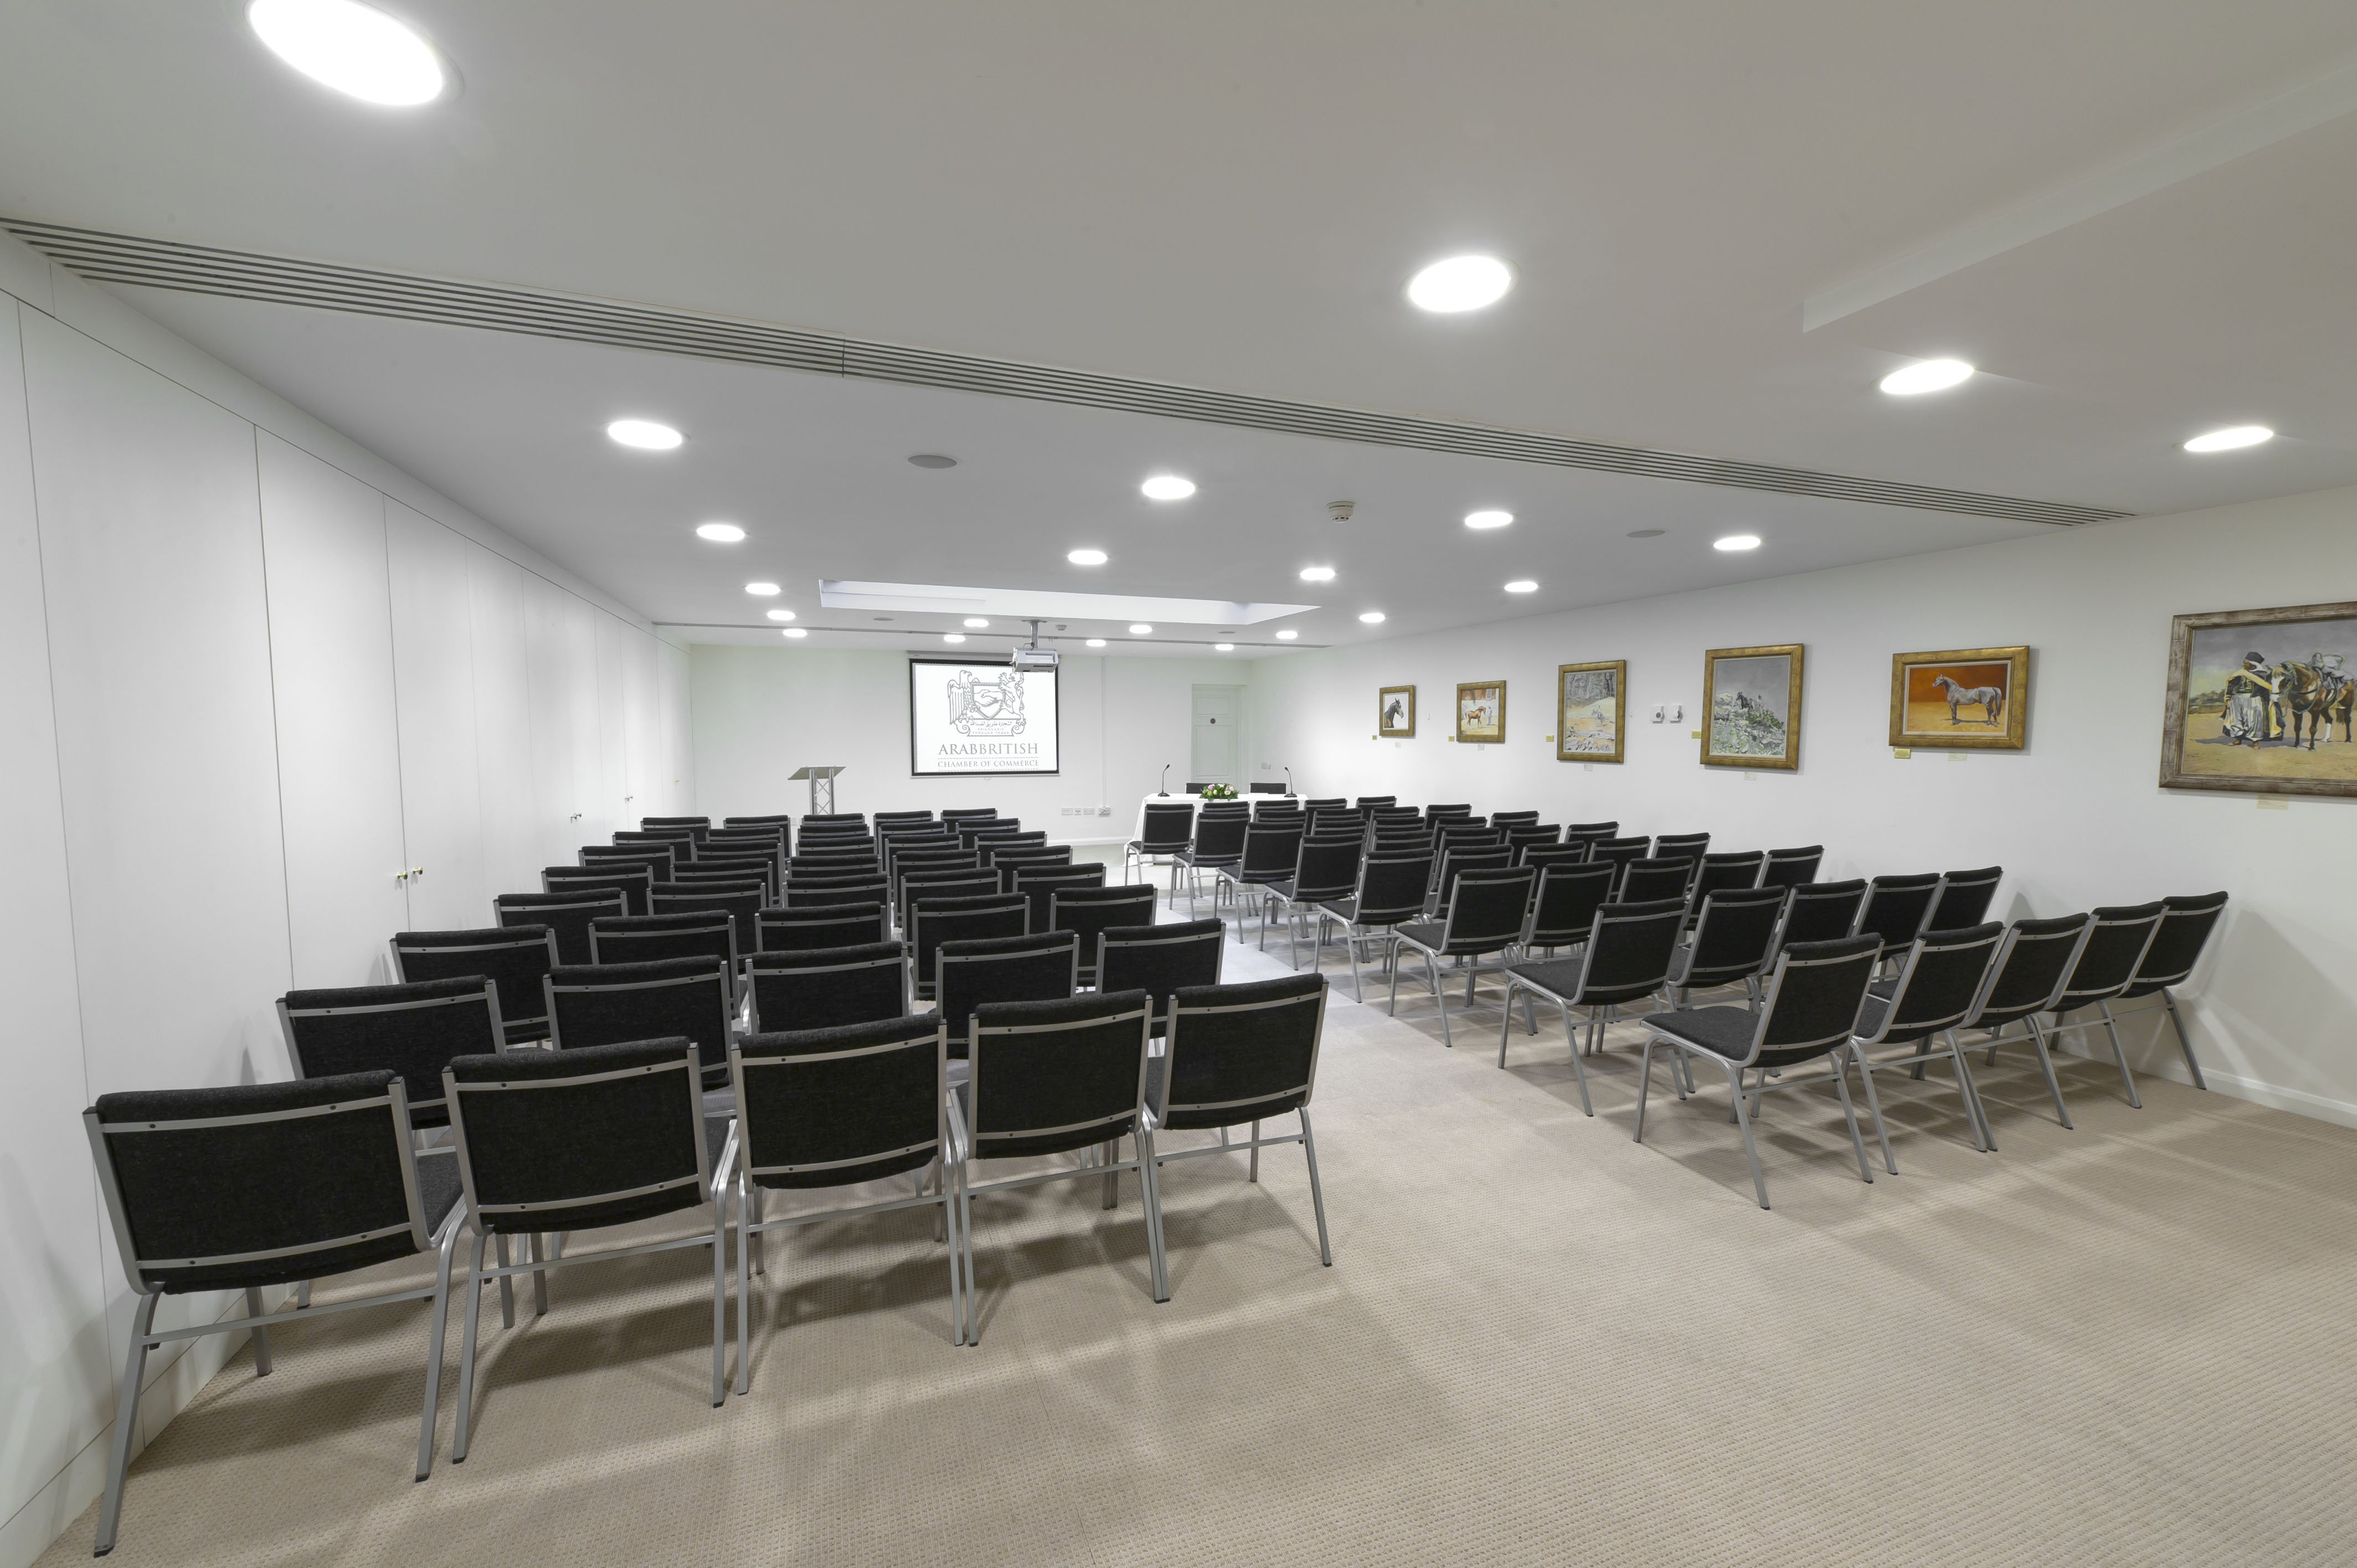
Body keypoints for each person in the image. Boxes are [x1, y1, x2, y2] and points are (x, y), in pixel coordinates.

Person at [2221, 651, 2281, 746]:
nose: (2243, 664)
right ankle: (2238, 739)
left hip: (2254, 699)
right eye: (2244, 662)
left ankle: (2255, 742)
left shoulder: (2263, 675)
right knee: (2236, 720)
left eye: (2246, 663)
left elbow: (2269, 687)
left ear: (2253, 665)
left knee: (2254, 721)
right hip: (2236, 699)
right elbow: (2231, 685)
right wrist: (2228, 698)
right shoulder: (2239, 673)